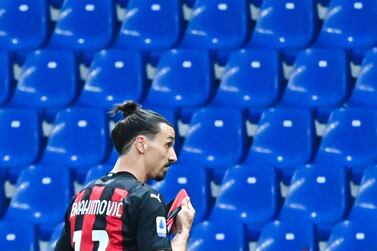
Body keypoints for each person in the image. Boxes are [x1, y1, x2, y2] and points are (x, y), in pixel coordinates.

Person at [55, 100, 195, 251]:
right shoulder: (145, 198)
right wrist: (182, 233)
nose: (173, 156)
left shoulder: (80, 198)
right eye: (168, 144)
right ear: (141, 144)